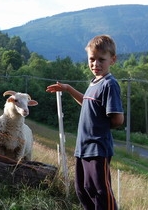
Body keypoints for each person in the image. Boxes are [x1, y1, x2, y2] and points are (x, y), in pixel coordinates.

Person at [46, 34, 124, 210]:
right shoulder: (94, 83)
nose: (95, 64)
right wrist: (67, 88)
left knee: (100, 191)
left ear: (113, 60)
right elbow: (87, 102)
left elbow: (118, 119)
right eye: (92, 59)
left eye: (101, 60)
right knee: (83, 189)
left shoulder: (109, 84)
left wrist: (99, 128)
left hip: (97, 147)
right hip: (83, 148)